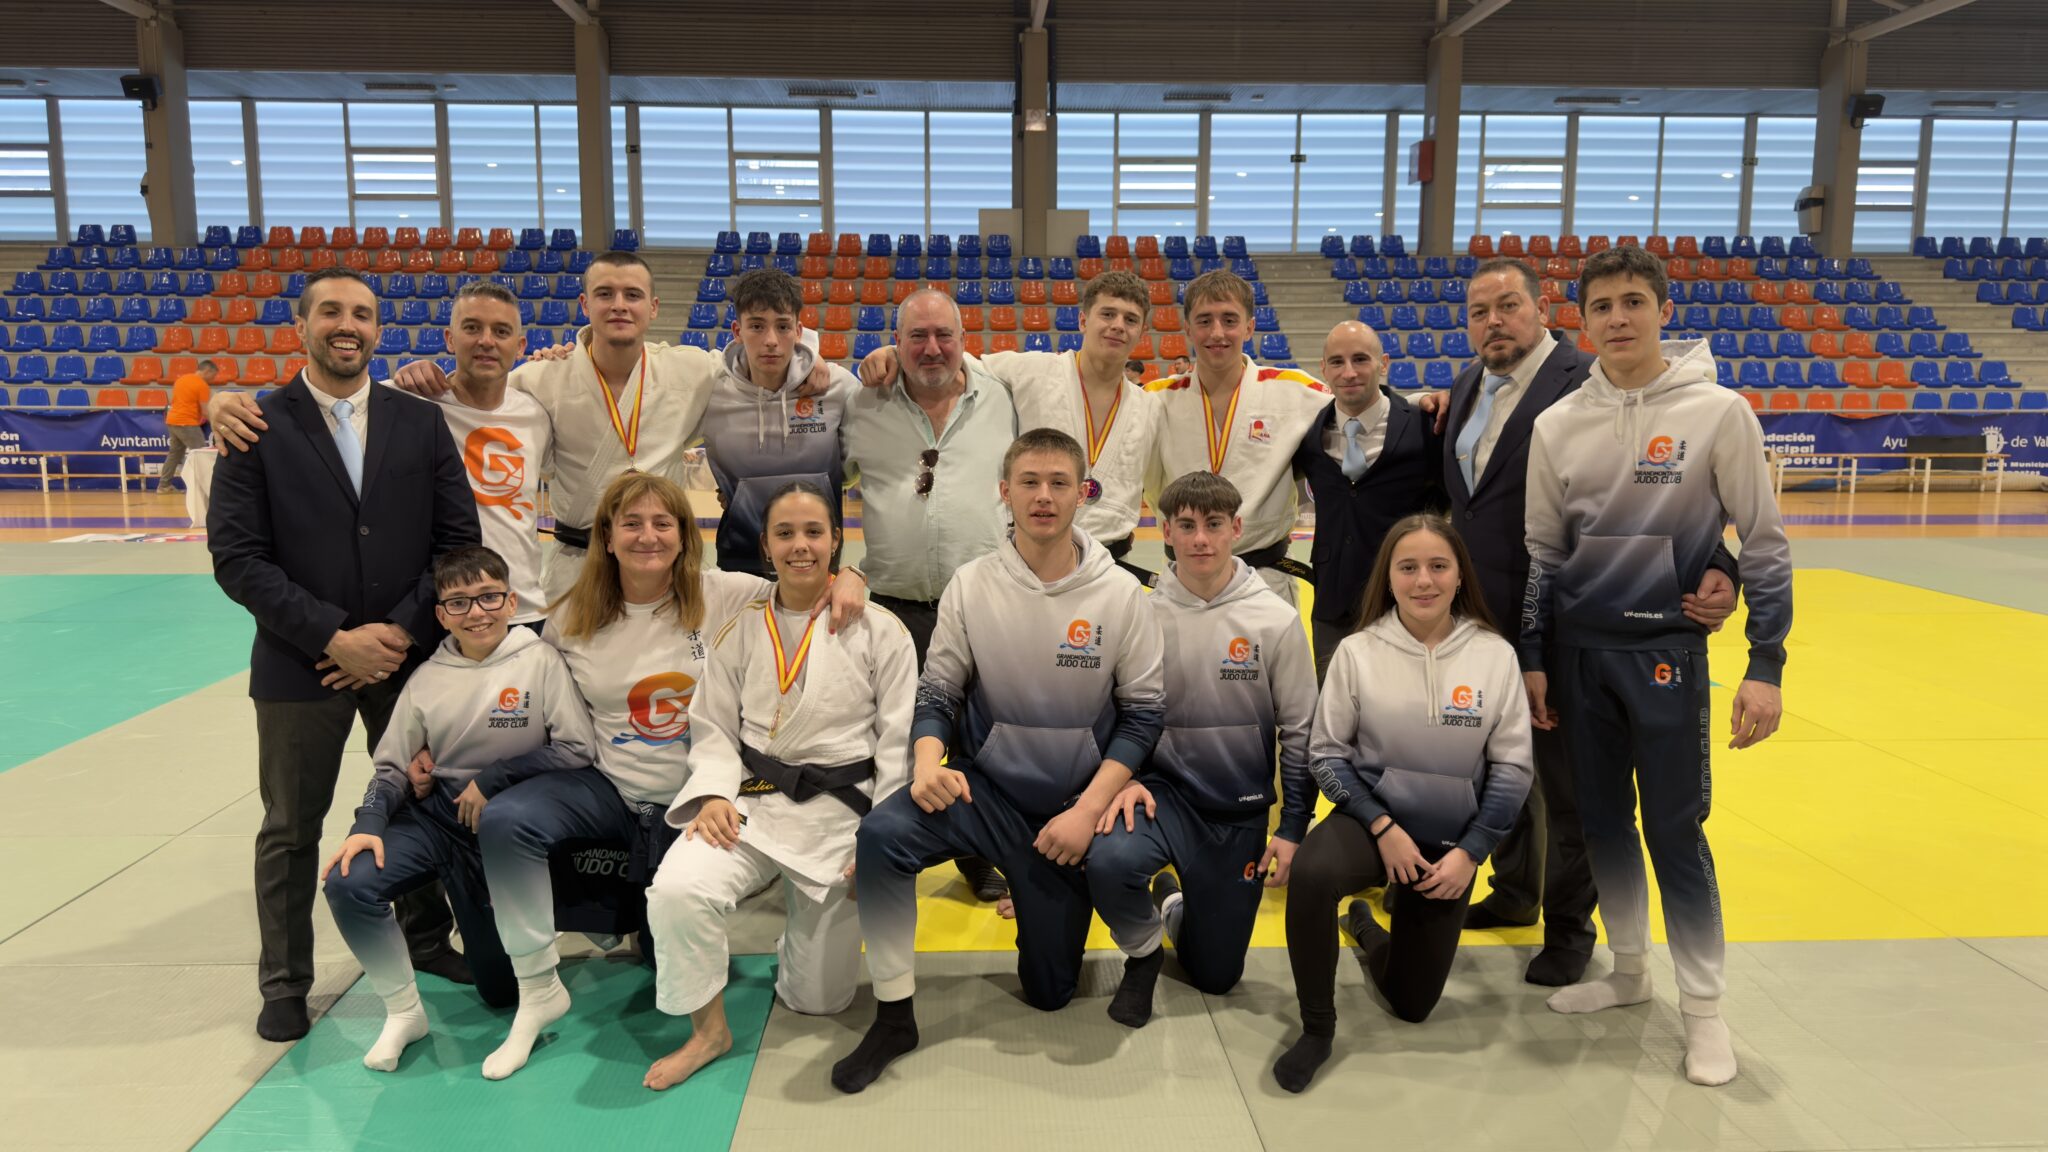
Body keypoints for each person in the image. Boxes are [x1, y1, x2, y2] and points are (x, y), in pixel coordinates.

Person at [471, 471, 863, 1080]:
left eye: (662, 523)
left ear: (684, 535)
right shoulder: (570, 616)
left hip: (702, 800)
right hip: (611, 789)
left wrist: (850, 575)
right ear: (606, 537)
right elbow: (539, 712)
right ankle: (537, 984)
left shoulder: (727, 594)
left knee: (667, 955)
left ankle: (662, 916)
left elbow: (803, 575)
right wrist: (471, 767)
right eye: (631, 523)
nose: (648, 536)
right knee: (507, 820)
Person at [1415, 257, 1736, 987]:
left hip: (1569, 620)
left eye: (1508, 306)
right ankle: (1515, 891)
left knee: (1570, 791)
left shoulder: (1590, 384)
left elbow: (1669, 491)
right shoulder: (1466, 387)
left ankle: (1569, 929)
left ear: (1545, 310)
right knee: (1492, 767)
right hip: (1478, 623)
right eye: (1479, 312)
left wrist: (1721, 561)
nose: (1494, 322)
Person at [1521, 245, 1792, 1087]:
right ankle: (1630, 971)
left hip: (1668, 655)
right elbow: (1542, 556)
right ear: (1583, 322)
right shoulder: (1557, 425)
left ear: (1664, 311)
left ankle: (1704, 1011)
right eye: (1602, 306)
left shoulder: (1718, 412)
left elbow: (1764, 542)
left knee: (1675, 829)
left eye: (1634, 302)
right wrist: (1534, 659)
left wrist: (1766, 664)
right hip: (1580, 660)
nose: (1618, 319)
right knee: (1603, 823)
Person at [829, 428, 1165, 1094]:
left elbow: (1143, 716)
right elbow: (938, 692)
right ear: (1004, 491)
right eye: (1029, 482)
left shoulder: (1122, 595)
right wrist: (928, 762)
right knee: (882, 836)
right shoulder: (972, 584)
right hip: (987, 797)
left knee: (1050, 995)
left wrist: (1087, 812)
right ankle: (894, 1017)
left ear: (1083, 493)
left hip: (1069, 813)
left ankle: (1126, 933)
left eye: (1059, 483)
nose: (1044, 496)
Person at [208, 252, 832, 604]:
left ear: (653, 307)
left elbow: (766, 359)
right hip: (576, 559)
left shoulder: (692, 369)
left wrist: (815, 364)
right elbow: (382, 396)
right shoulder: (538, 379)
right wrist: (222, 402)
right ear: (585, 305)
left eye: (632, 295)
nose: (619, 305)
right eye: (605, 294)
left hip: (663, 552)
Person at [207, 267, 480, 1042]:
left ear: (378, 329)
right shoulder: (257, 425)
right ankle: (285, 981)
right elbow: (237, 558)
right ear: (301, 326)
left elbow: (457, 540)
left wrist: (398, 633)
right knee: (292, 826)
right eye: (330, 311)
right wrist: (331, 636)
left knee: (418, 804)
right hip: (300, 663)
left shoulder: (419, 422)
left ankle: (426, 938)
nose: (347, 325)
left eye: (361, 313)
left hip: (405, 658)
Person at [641, 482, 916, 1090]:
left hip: (842, 820)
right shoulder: (740, 628)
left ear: (836, 540)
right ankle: (708, 1032)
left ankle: (800, 935)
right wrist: (714, 792)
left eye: (814, 532)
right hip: (753, 807)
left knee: (819, 1001)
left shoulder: (882, 631)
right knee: (677, 889)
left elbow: (897, 748)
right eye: (785, 534)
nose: (800, 546)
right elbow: (712, 726)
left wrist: (880, 840)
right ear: (764, 546)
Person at [1273, 514, 1533, 1093]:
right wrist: (1382, 826)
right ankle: (1317, 1028)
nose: (1424, 580)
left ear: (1460, 575)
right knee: (1313, 874)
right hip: (1372, 827)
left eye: (1438, 566)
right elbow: (1326, 755)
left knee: (1412, 1005)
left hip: (1449, 846)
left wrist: (1472, 852)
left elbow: (1514, 768)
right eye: (1408, 567)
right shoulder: (1358, 651)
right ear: (1388, 578)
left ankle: (1366, 931)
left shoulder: (1494, 655)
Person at [322, 545, 597, 1072]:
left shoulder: (540, 660)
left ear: (511, 601)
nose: (476, 612)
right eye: (459, 603)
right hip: (437, 820)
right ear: (441, 615)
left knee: (500, 993)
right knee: (349, 881)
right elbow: (391, 767)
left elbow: (576, 748)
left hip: (506, 829)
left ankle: (537, 958)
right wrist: (368, 823)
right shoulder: (427, 678)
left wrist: (494, 779)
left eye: (489, 597)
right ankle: (404, 1013)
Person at [1086, 471, 1317, 1028]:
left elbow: (1301, 731)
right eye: (1186, 526)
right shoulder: (1142, 614)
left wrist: (1292, 828)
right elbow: (1113, 712)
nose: (1200, 540)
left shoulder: (1275, 619)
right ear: (1165, 532)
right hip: (1161, 797)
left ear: (1236, 528)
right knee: (1107, 861)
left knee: (1216, 976)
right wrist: (1125, 778)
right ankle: (1143, 952)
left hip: (1237, 812)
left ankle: (1172, 901)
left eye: (1213, 525)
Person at [840, 288, 1020, 907]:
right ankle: (890, 848)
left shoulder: (1003, 397)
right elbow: (823, 485)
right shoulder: (863, 403)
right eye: (916, 336)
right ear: (895, 342)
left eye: (944, 334)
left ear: (966, 339)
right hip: (894, 605)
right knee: (893, 736)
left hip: (985, 603)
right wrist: (845, 568)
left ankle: (980, 852)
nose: (932, 348)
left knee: (980, 735)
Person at [857, 269, 1163, 573]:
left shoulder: (1149, 407)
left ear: (1143, 331)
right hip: (1031, 559)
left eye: (1130, 319)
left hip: (1112, 564)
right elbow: (960, 364)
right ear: (1083, 320)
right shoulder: (1032, 371)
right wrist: (895, 354)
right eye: (1107, 314)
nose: (1118, 325)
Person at [1145, 270, 1330, 606]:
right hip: (1184, 580)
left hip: (1266, 579)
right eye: (1204, 321)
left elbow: (1366, 406)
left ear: (1249, 327)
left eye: (1229, 320)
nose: (1217, 332)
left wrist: (1423, 401)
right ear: (1188, 329)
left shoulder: (1293, 390)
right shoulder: (1156, 399)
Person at [1291, 321, 1437, 681]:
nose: (1349, 372)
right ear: (1323, 369)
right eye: (1337, 362)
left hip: (1405, 603)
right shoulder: (1307, 434)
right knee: (1333, 701)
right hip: (1333, 601)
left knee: (1405, 702)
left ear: (1383, 363)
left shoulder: (1424, 427)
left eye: (1360, 359)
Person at [699, 269, 858, 576]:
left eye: (782, 327)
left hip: (816, 560)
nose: (771, 341)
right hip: (740, 559)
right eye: (756, 326)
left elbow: (858, 464)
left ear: (799, 331)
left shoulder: (837, 387)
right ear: (737, 330)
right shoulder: (710, 392)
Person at [158, 358, 216, 494]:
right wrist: (216, 424)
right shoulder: (202, 385)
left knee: (174, 454)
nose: (213, 379)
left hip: (172, 420)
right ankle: (203, 488)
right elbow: (205, 411)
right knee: (201, 454)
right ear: (207, 371)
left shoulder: (181, 380)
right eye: (213, 375)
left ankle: (164, 485)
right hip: (187, 423)